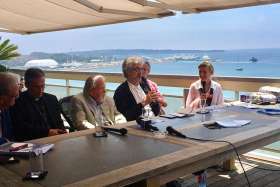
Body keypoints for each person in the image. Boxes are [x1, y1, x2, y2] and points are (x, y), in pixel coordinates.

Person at [10, 68, 66, 141]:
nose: (41, 90)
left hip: (57, 138)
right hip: (33, 141)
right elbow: (20, 127)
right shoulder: (17, 101)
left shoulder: (52, 99)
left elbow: (58, 121)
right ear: (26, 85)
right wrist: (47, 132)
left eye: (43, 86)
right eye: (36, 87)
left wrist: (63, 133)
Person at [114, 56, 161, 121]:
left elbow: (156, 110)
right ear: (127, 71)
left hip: (153, 121)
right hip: (136, 126)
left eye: (141, 69)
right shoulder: (121, 92)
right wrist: (144, 103)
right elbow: (126, 116)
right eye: (136, 69)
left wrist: (155, 100)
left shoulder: (143, 83)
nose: (140, 73)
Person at [0, 72, 19, 142]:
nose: (13, 104)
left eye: (16, 97)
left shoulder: (5, 110)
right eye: (12, 97)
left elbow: (10, 136)